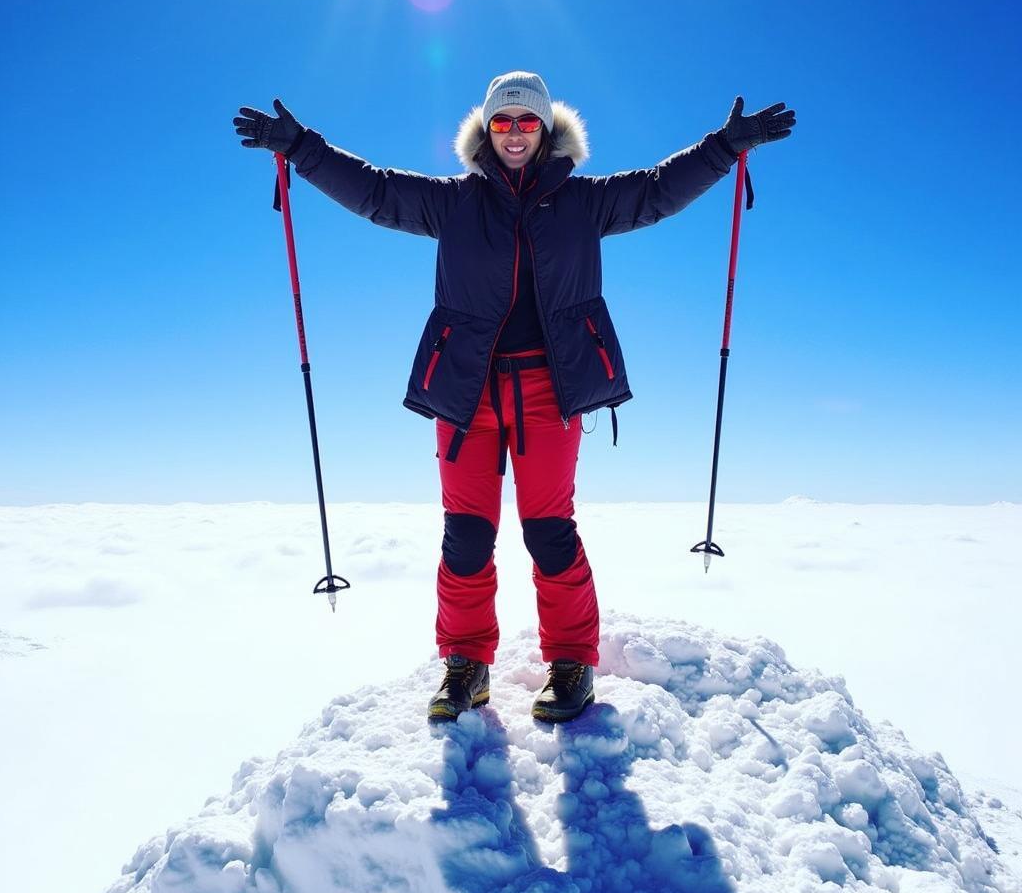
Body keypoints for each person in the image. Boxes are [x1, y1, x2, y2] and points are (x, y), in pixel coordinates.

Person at [234, 71, 796, 725]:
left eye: (528, 121)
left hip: (546, 390)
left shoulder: (585, 201)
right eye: (502, 122)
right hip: (468, 388)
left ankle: (571, 662)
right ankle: (466, 663)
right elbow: (376, 193)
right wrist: (300, 147)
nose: (515, 133)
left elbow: (657, 192)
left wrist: (725, 147)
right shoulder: (454, 202)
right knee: (466, 534)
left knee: (549, 529)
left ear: (548, 129)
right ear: (486, 130)